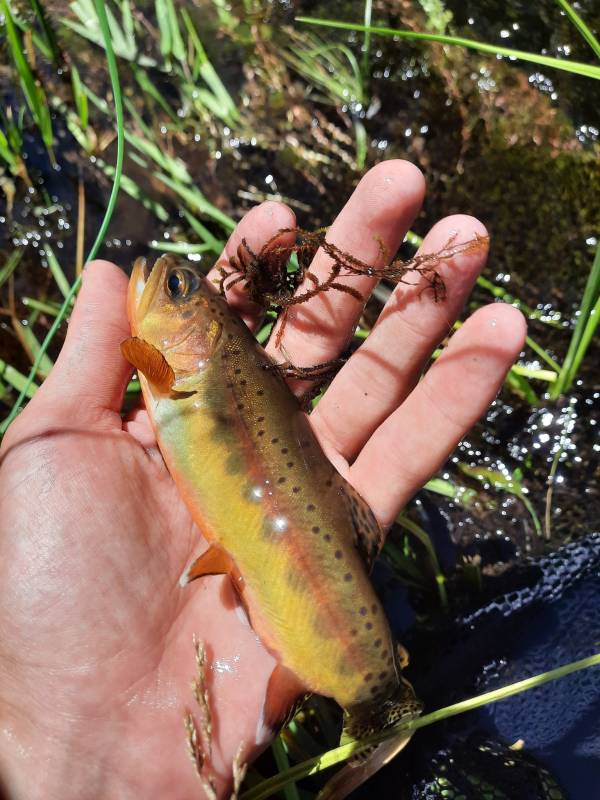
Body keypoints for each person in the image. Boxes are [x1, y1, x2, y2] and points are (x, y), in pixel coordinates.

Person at [0, 161, 525, 799]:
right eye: (180, 290)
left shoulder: (164, 370)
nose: (166, 280)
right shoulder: (172, 373)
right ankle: (371, 697)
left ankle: (372, 699)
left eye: (178, 293)